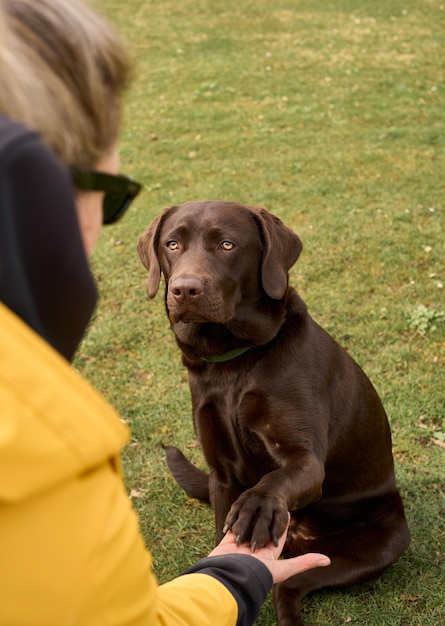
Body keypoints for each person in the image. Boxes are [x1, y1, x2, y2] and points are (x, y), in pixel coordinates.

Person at [0, 1, 331, 625]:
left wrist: (231, 572)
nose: (185, 277)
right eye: (109, 195)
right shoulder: (37, 443)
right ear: (29, 192)